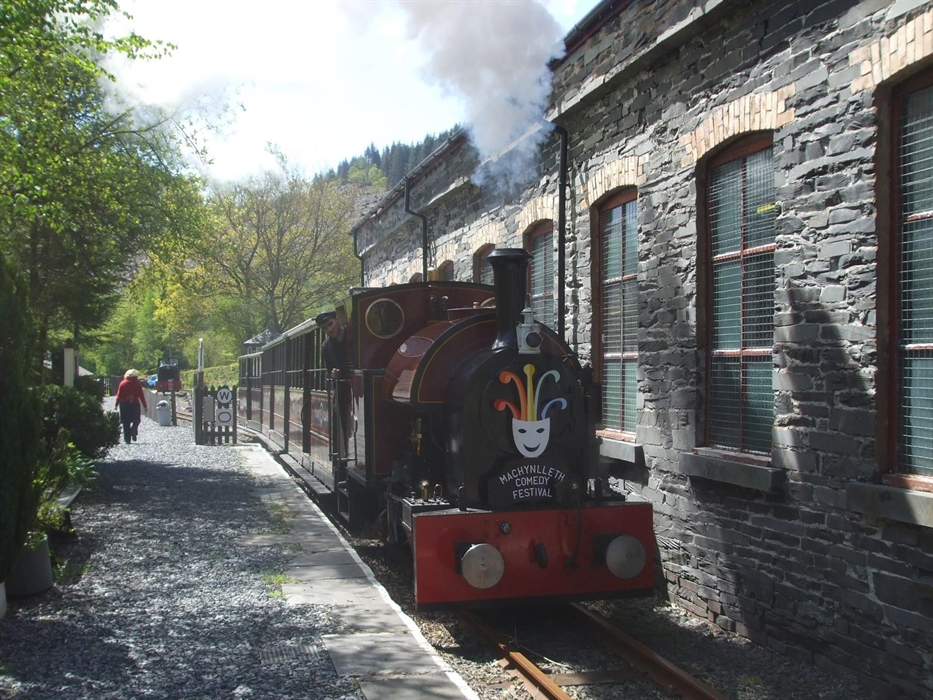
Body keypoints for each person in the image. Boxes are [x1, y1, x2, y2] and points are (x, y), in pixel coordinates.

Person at [315, 310, 351, 456]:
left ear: (337, 320)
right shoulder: (326, 347)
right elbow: (329, 370)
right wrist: (333, 375)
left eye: (330, 324)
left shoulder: (354, 336)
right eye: (325, 328)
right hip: (343, 391)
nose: (329, 330)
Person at [115, 369, 148, 444]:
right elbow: (141, 396)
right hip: (135, 404)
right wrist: (145, 406)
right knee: (136, 420)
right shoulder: (137, 384)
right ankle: (133, 430)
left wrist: (116, 405)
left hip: (124, 405)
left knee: (125, 422)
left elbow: (119, 395)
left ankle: (127, 439)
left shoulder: (122, 383)